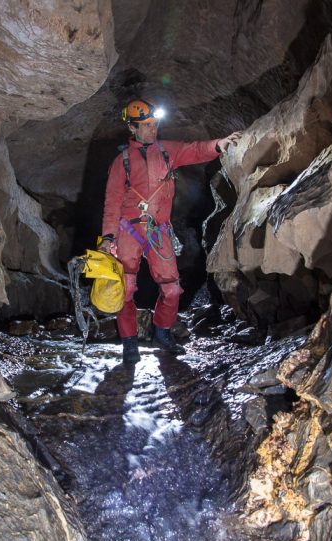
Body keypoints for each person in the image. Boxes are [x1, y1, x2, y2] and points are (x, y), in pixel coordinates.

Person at [98, 98, 242, 364]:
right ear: (132, 128)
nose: (153, 130)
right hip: (128, 229)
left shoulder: (167, 151)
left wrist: (218, 145)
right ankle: (129, 341)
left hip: (159, 230)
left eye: (155, 124)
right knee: (126, 289)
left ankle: (162, 332)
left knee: (172, 289)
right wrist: (108, 238)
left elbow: (195, 150)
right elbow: (112, 201)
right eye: (147, 125)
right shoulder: (122, 162)